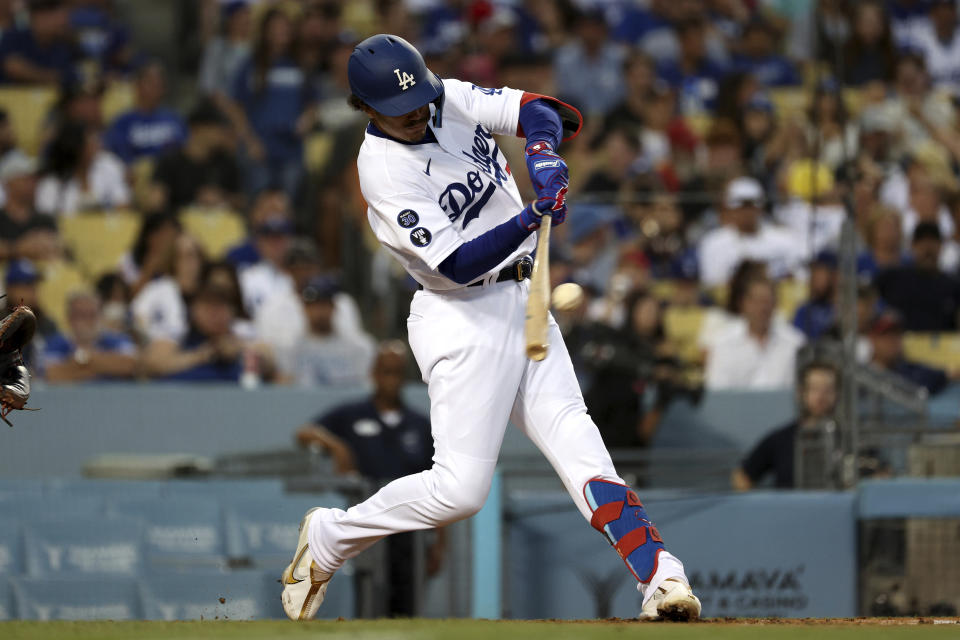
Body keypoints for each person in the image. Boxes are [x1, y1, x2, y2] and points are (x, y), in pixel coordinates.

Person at [280, 34, 701, 623]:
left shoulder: (442, 97)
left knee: (582, 450)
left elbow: (539, 111)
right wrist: (532, 212)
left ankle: (662, 579)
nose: (419, 114)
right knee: (459, 492)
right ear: (367, 109)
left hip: (524, 297)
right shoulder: (382, 171)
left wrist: (544, 153)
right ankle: (332, 536)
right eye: (401, 112)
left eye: (421, 100)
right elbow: (456, 263)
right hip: (461, 315)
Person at [294, 341, 444, 616]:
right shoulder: (352, 415)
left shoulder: (419, 424)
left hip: (409, 531)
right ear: (374, 374)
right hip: (367, 526)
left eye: (397, 373)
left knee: (408, 603)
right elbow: (304, 433)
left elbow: (439, 483)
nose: (391, 380)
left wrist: (439, 544)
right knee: (367, 597)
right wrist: (337, 446)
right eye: (385, 371)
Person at [731, 361, 839, 491]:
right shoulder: (781, 439)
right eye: (814, 389)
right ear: (801, 393)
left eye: (828, 390)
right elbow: (742, 476)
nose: (821, 397)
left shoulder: (850, 439)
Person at [697, 176, 804, 288]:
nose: (747, 212)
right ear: (730, 209)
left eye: (751, 206)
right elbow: (713, 285)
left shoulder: (784, 239)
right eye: (742, 207)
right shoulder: (714, 243)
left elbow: (800, 278)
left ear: (760, 208)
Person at [705, 275, 806, 390]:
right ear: (743, 304)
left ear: (775, 304)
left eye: (767, 301)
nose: (762, 308)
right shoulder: (722, 344)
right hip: (736, 407)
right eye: (756, 301)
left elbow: (801, 392)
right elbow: (718, 394)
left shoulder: (795, 343)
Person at [277, 276, 374, 387]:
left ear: (334, 306)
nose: (319, 312)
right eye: (313, 305)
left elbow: (366, 388)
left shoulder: (359, 347)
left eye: (324, 304)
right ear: (304, 308)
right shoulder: (290, 347)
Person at [35, 119, 130, 217]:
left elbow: (123, 204)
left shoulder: (109, 164)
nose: (97, 145)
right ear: (75, 147)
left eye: (96, 140)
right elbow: (47, 220)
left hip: (108, 229)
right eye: (90, 142)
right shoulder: (51, 183)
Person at [876, 221, 960, 332]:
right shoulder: (893, 278)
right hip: (899, 347)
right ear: (912, 246)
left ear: (941, 246)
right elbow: (868, 294)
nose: (928, 248)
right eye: (922, 243)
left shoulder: (952, 286)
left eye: (933, 242)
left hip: (943, 347)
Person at [42, 290, 138, 383]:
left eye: (92, 315)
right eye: (81, 315)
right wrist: (107, 365)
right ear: (69, 318)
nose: (87, 321)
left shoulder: (116, 339)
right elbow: (53, 375)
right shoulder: (55, 343)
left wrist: (84, 360)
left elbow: (131, 365)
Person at [103, 61, 187, 164]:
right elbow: (117, 159)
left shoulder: (174, 119)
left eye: (160, 83)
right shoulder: (122, 123)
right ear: (137, 85)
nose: (155, 87)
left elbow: (186, 153)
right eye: (150, 82)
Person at [868, 311, 951, 394]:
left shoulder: (908, 371)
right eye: (886, 335)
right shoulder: (860, 373)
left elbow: (939, 376)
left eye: (896, 334)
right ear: (872, 338)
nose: (892, 340)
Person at [0, 0, 77, 85]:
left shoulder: (64, 45)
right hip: (11, 96)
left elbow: (71, 76)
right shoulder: (14, 36)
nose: (62, 21)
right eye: (52, 17)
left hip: (53, 97)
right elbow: (13, 68)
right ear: (35, 17)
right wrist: (50, 77)